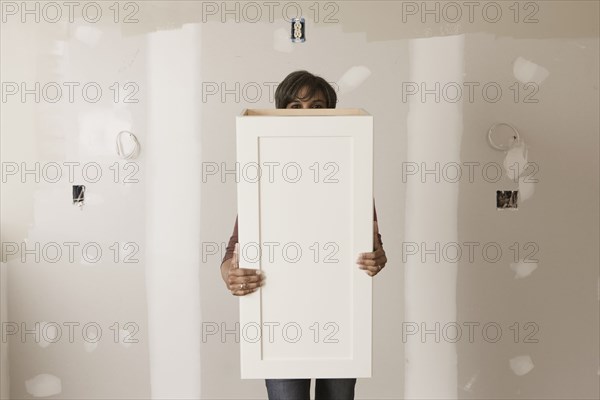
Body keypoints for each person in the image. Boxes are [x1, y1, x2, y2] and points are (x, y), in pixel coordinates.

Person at [219, 70, 388, 400]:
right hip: (281, 321)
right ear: (281, 113)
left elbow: (374, 250)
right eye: (295, 106)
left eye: (317, 106)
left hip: (338, 319)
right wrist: (231, 275)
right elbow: (232, 252)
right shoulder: (263, 173)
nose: (306, 113)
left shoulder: (352, 172)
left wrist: (377, 259)